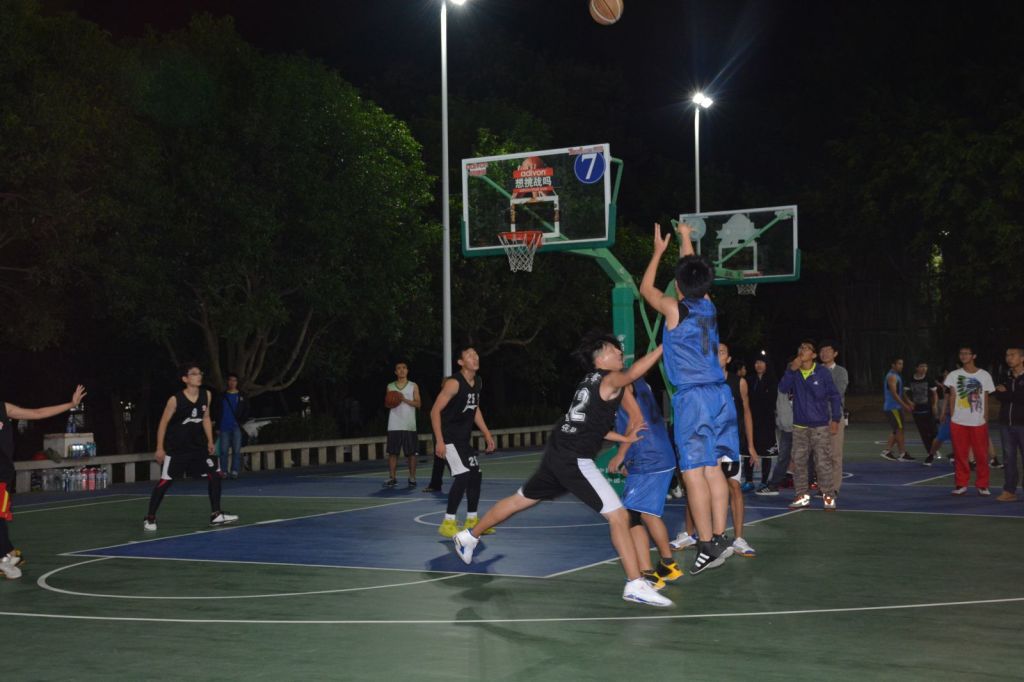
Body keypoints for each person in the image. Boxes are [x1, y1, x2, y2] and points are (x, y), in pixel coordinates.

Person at [451, 336, 672, 608]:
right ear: (600, 358)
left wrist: (624, 439)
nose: (619, 353)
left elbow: (592, 426)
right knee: (619, 516)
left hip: (559, 451)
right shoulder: (609, 378)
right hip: (573, 459)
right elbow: (633, 373)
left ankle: (469, 536)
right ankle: (635, 583)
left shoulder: (589, 381)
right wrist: (664, 346)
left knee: (520, 500)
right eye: (613, 350)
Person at [638, 223, 734, 575]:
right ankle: (720, 536)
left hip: (692, 398)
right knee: (713, 469)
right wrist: (684, 238)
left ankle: (705, 545)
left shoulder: (674, 309)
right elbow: (693, 273)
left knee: (693, 472)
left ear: (678, 286)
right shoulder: (708, 305)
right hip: (718, 396)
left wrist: (658, 252)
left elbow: (645, 289)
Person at [672, 343, 759, 557]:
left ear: (728, 359)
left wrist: (750, 445)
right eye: (714, 352)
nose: (717, 355)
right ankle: (690, 534)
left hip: (728, 442)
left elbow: (747, 412)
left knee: (733, 486)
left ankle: (737, 538)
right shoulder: (700, 382)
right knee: (695, 484)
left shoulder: (738, 382)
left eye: (722, 352)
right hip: (704, 444)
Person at [0, 385, 86, 580]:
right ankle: (6, 555)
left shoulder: (3, 408)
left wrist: (71, 404)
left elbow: (37, 413)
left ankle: (7, 554)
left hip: (2, 474)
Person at [608, 377, 683, 590]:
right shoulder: (639, 381)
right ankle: (667, 564)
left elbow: (636, 420)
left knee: (630, 516)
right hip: (660, 453)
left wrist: (621, 455)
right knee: (649, 514)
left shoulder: (620, 382)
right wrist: (629, 458)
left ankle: (647, 573)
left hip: (648, 456)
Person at [144, 363, 238, 532]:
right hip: (177, 448)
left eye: (199, 373)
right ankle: (150, 517)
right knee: (165, 482)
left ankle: (216, 514)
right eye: (194, 374)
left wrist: (210, 441)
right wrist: (159, 448)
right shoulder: (175, 400)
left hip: (198, 447)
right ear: (185, 379)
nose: (199, 376)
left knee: (215, 474)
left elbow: (206, 418)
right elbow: (163, 423)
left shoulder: (206, 395)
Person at [432, 347, 496, 537]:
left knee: (475, 475)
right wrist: (439, 441)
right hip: (448, 438)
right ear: (461, 362)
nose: (474, 357)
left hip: (462, 439)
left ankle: (472, 520)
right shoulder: (453, 383)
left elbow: (474, 408)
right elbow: (434, 411)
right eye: (469, 355)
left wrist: (487, 434)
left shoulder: (478, 381)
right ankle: (448, 523)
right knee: (462, 475)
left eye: (476, 354)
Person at [779, 341, 842, 510]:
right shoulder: (794, 371)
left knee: (823, 462)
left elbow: (834, 396)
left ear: (813, 355)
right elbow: (783, 388)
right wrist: (791, 370)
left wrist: (835, 419)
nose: (802, 350)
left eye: (806, 348)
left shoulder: (822, 372)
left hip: (819, 426)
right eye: (800, 348)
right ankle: (802, 496)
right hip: (799, 426)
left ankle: (828, 496)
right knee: (799, 463)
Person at [944, 346, 996, 496]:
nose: (963, 356)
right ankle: (961, 484)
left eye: (967, 353)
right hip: (958, 421)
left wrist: (985, 417)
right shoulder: (954, 375)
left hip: (978, 421)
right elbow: (952, 396)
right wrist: (953, 416)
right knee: (960, 454)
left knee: (981, 455)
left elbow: (985, 398)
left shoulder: (984, 375)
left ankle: (983, 484)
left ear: (974, 356)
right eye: (961, 353)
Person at [384, 361, 421, 488]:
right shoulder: (390, 386)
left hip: (409, 425)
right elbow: (388, 403)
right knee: (392, 453)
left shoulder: (413, 385)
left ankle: (412, 477)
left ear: (407, 370)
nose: (402, 370)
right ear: (395, 372)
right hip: (394, 424)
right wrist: (392, 401)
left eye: (404, 368)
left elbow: (418, 404)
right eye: (399, 368)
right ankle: (392, 478)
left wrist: (403, 399)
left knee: (411, 453)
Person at [993, 347, 1024, 501]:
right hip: (1005, 423)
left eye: (1012, 355)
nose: (1009, 358)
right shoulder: (1005, 376)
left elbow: (1021, 397)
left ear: (1022, 358)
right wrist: (1007, 394)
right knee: (1008, 459)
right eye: (1007, 355)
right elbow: (998, 394)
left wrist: (1007, 393)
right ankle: (1009, 491)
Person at [818, 341, 849, 490]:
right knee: (820, 455)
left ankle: (834, 488)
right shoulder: (814, 370)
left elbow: (837, 392)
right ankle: (822, 486)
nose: (824, 353)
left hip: (833, 417)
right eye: (822, 351)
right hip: (816, 418)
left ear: (835, 353)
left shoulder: (841, 372)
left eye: (828, 350)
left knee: (835, 455)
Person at [756, 387, 795, 495]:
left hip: (804, 426)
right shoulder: (782, 385)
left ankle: (816, 487)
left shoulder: (805, 382)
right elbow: (779, 405)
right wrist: (780, 421)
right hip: (787, 427)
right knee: (783, 457)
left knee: (806, 457)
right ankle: (774, 485)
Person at [746, 351, 777, 489]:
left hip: (767, 422)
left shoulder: (772, 381)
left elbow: (772, 401)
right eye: (756, 362)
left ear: (767, 364)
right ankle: (749, 481)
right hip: (751, 421)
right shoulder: (749, 380)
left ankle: (764, 480)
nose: (758, 365)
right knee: (749, 450)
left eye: (761, 362)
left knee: (766, 453)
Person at [214, 373, 250, 479]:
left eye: (234, 380)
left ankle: (234, 471)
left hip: (236, 426)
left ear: (237, 382)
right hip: (224, 427)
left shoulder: (242, 396)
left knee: (236, 450)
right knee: (223, 451)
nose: (232, 382)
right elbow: (216, 411)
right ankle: (224, 471)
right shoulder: (222, 396)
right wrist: (217, 426)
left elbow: (247, 410)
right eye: (230, 380)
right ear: (227, 382)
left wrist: (242, 421)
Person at [881, 357, 916, 461]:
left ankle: (887, 451)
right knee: (899, 430)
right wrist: (905, 405)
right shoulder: (892, 376)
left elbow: (901, 391)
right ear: (893, 365)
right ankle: (902, 453)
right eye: (899, 364)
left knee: (897, 429)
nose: (901, 366)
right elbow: (894, 394)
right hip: (893, 407)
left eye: (902, 364)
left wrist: (908, 401)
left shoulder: (897, 376)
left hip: (896, 407)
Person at [905, 362, 939, 466]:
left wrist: (934, 405)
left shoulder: (929, 379)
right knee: (923, 433)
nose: (924, 368)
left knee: (934, 432)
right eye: (922, 366)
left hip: (928, 409)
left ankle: (934, 449)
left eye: (926, 366)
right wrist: (909, 402)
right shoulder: (910, 379)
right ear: (916, 368)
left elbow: (935, 394)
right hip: (917, 411)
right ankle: (930, 453)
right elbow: (904, 393)